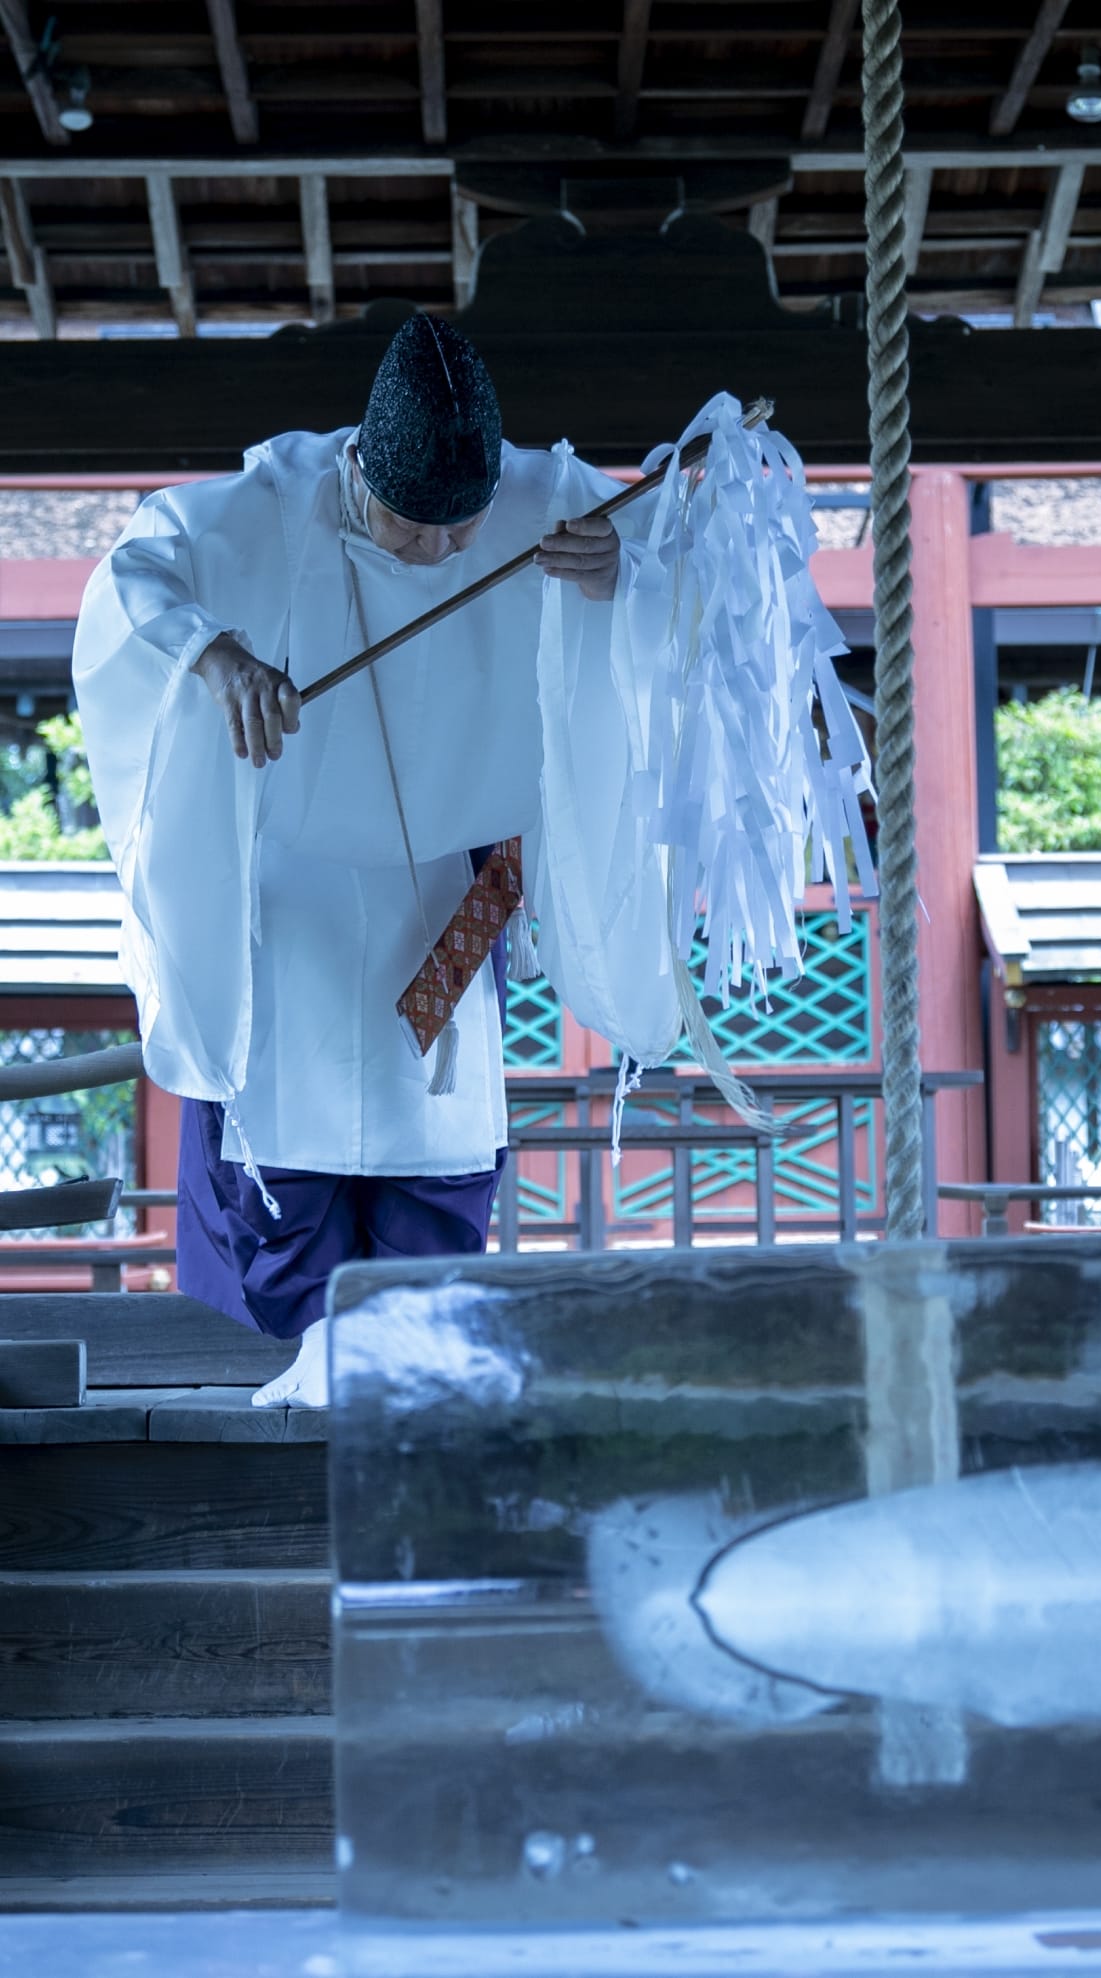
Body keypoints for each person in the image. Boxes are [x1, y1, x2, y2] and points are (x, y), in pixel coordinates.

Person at [73, 315, 683, 1407]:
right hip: (290, 908)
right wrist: (209, 653)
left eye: (466, 528)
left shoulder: (549, 496)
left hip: (455, 891)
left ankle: (416, 1451)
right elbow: (135, 573)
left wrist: (622, 573)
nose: (448, 552)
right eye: (417, 528)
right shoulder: (263, 510)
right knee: (281, 1216)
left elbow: (687, 574)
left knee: (430, 1235)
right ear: (360, 472)